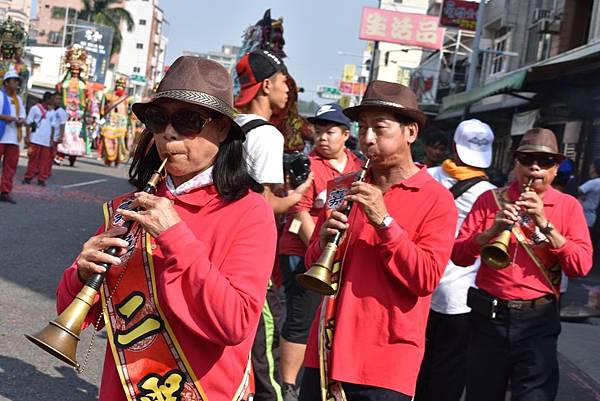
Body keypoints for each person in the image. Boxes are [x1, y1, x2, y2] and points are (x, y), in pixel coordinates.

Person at [55, 56, 277, 401]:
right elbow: (82, 314)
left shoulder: (251, 212)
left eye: (188, 120)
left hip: (205, 389)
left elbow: (235, 323)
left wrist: (175, 238)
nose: (168, 133)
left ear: (221, 128)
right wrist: (81, 275)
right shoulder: (127, 206)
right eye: (158, 120)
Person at [299, 81, 458, 401]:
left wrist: (384, 222)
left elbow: (425, 278)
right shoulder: (341, 185)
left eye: (380, 128)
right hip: (325, 353)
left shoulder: (438, 200)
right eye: (363, 127)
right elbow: (313, 264)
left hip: (384, 365)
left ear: (410, 133)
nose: (368, 138)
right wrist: (323, 240)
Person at [452, 128, 593, 401]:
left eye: (546, 161)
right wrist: (490, 233)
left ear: (555, 170)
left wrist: (544, 223)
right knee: (481, 394)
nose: (535, 167)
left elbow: (580, 266)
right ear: (516, 164)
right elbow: (459, 255)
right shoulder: (490, 200)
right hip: (489, 318)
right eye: (528, 160)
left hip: (538, 320)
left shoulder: (568, 206)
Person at [234, 49, 311, 401]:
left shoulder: (231, 124)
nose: (288, 91)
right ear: (266, 85)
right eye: (284, 83)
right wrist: (297, 197)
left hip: (222, 245)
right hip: (249, 258)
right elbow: (262, 208)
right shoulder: (266, 134)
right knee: (264, 348)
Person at [277, 103, 362, 400]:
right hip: (303, 250)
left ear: (346, 135)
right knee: (302, 317)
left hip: (339, 254)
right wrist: (324, 254)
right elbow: (299, 215)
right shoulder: (306, 165)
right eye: (320, 130)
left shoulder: (358, 166)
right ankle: (288, 385)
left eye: (331, 131)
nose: (323, 137)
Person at [415, 119, 496, 401]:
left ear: (453, 147)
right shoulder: (489, 193)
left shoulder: (426, 175)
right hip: (459, 295)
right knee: (449, 370)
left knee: (417, 363)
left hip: (419, 281)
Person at [0, 69, 26, 203]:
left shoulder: (19, 99)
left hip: (13, 138)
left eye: (17, 82)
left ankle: (5, 192)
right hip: (1, 136)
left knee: (10, 167)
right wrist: (6, 118)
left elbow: (22, 116)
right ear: (6, 83)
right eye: (14, 81)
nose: (16, 84)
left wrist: (21, 120)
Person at [23, 91, 57, 187]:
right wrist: (27, 136)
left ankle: (41, 179)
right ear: (47, 99)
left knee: (44, 161)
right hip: (35, 138)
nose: (54, 101)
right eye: (52, 99)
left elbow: (53, 126)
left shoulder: (53, 112)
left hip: (46, 140)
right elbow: (29, 122)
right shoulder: (35, 109)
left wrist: (52, 139)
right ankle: (28, 177)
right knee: (33, 159)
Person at [100, 77, 131, 167]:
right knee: (107, 139)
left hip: (121, 124)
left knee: (119, 142)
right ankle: (109, 158)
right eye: (118, 85)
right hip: (110, 121)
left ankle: (117, 159)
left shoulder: (127, 98)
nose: (120, 87)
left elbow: (129, 112)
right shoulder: (108, 95)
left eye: (122, 85)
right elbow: (102, 108)